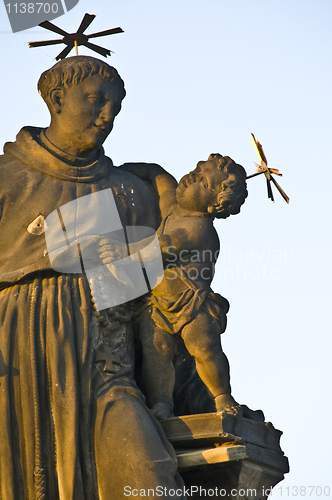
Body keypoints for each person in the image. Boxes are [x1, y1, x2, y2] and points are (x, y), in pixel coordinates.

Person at [0, 56, 186, 499]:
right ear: (57, 99)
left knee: (150, 479)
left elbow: (158, 302)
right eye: (97, 100)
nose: (108, 116)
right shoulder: (6, 181)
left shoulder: (134, 193)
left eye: (116, 107)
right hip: (17, 361)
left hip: (108, 364)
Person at [108, 155, 247, 420]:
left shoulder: (199, 230)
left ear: (215, 206)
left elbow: (158, 250)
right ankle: (162, 404)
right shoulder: (173, 208)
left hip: (193, 302)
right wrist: (120, 171)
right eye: (197, 170)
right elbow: (158, 174)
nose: (193, 177)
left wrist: (120, 251)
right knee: (156, 351)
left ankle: (221, 396)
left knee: (204, 348)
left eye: (204, 182)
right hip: (159, 301)